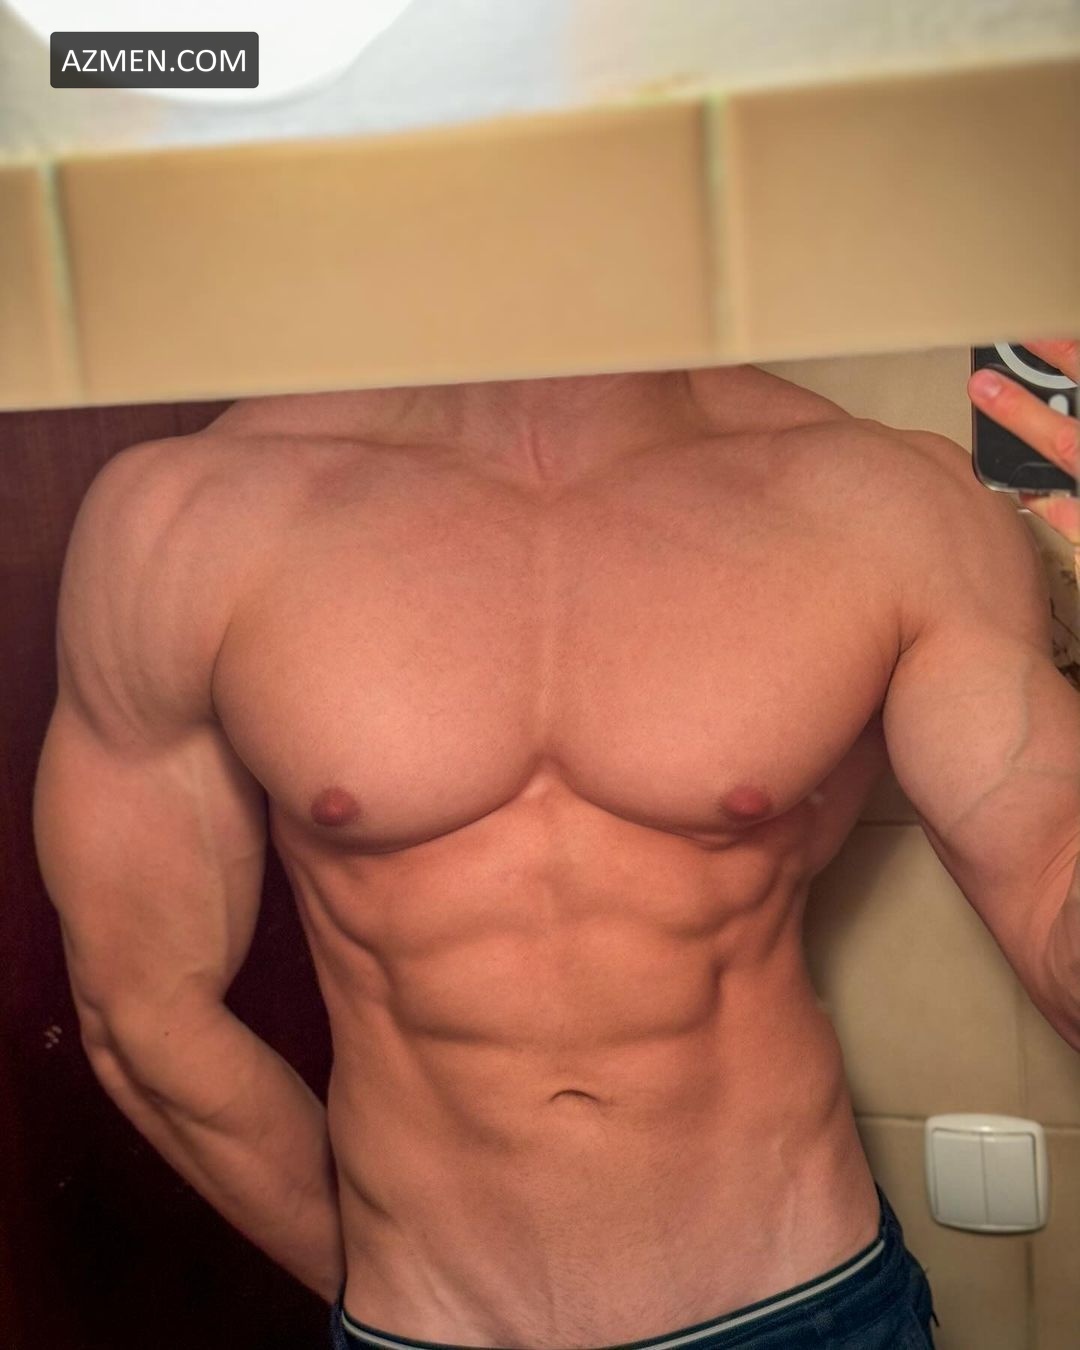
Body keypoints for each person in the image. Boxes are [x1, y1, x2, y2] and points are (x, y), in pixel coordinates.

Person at [32, 344, 1080, 1350]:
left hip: (808, 1308)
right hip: (423, 1324)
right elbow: (142, 1009)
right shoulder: (188, 518)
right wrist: (377, 1298)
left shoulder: (888, 500)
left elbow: (1051, 898)